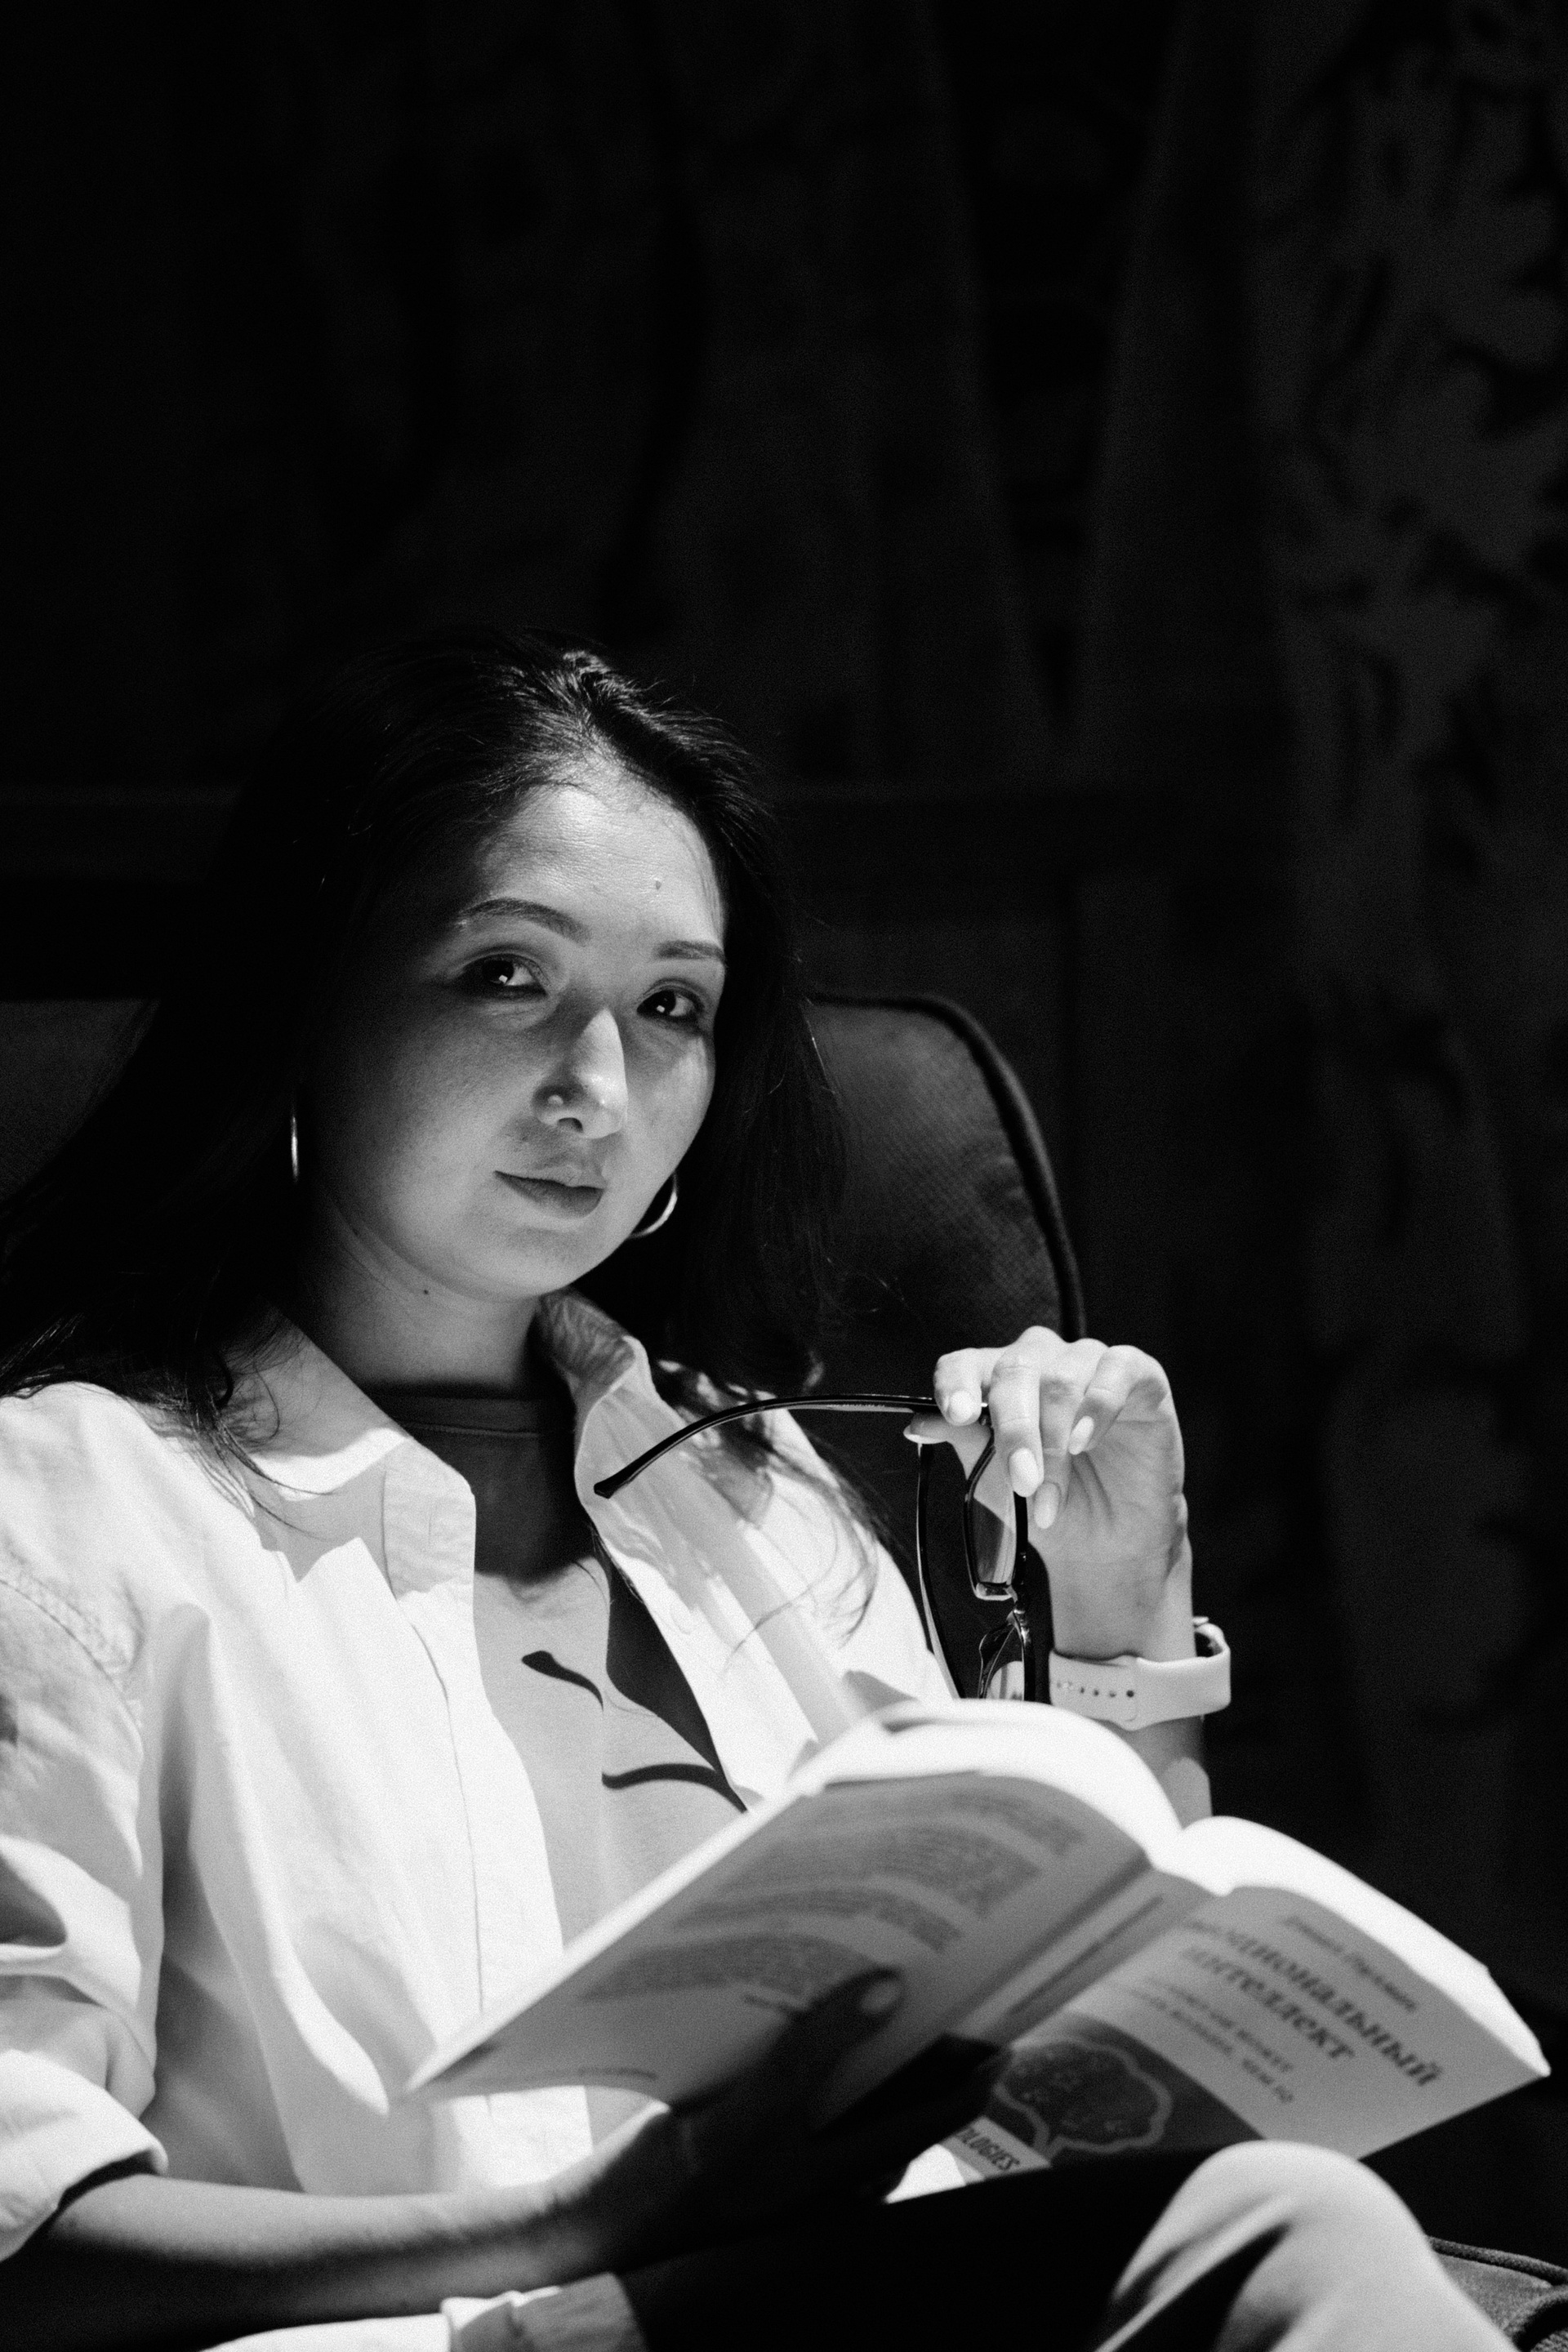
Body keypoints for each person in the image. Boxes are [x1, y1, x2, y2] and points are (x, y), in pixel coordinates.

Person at [0, 630, 1506, 2351]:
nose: (598, 1089)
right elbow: (23, 2227)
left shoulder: (748, 1489)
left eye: (672, 1008)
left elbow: (1071, 2093)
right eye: (507, 974)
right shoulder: (65, 1509)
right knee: (1284, 2234)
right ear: (306, 997)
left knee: (1266, 2219)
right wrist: (573, 2226)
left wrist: (1123, 1606)